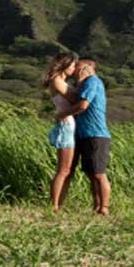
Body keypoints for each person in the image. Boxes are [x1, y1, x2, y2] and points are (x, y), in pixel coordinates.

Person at [56, 58, 111, 215]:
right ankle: (97, 206)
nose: (74, 69)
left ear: (86, 68)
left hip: (95, 133)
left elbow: (83, 105)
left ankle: (104, 207)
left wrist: (61, 114)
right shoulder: (83, 85)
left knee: (98, 173)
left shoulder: (92, 82)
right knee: (91, 173)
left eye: (77, 66)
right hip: (83, 134)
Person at [41, 53, 79, 211]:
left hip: (68, 123)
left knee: (66, 169)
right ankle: (54, 205)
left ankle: (58, 204)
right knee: (63, 169)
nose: (75, 69)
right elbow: (75, 99)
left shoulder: (58, 81)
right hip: (67, 125)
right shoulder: (57, 81)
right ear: (65, 65)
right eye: (73, 66)